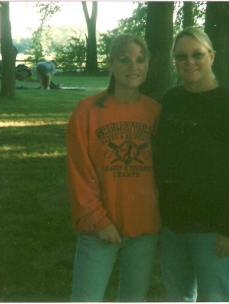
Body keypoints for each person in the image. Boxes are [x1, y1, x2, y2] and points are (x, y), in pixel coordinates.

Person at [154, 27, 229, 302]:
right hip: (173, 226)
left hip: (213, 230)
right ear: (174, 61)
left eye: (197, 54)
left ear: (211, 56)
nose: (189, 62)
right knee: (178, 298)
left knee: (215, 297)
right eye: (181, 56)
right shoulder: (172, 100)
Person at [67, 35, 161, 302]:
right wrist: (100, 221)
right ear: (110, 65)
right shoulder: (87, 111)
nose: (134, 66)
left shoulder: (155, 112)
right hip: (99, 229)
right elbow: (79, 174)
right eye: (124, 60)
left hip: (143, 228)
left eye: (140, 60)